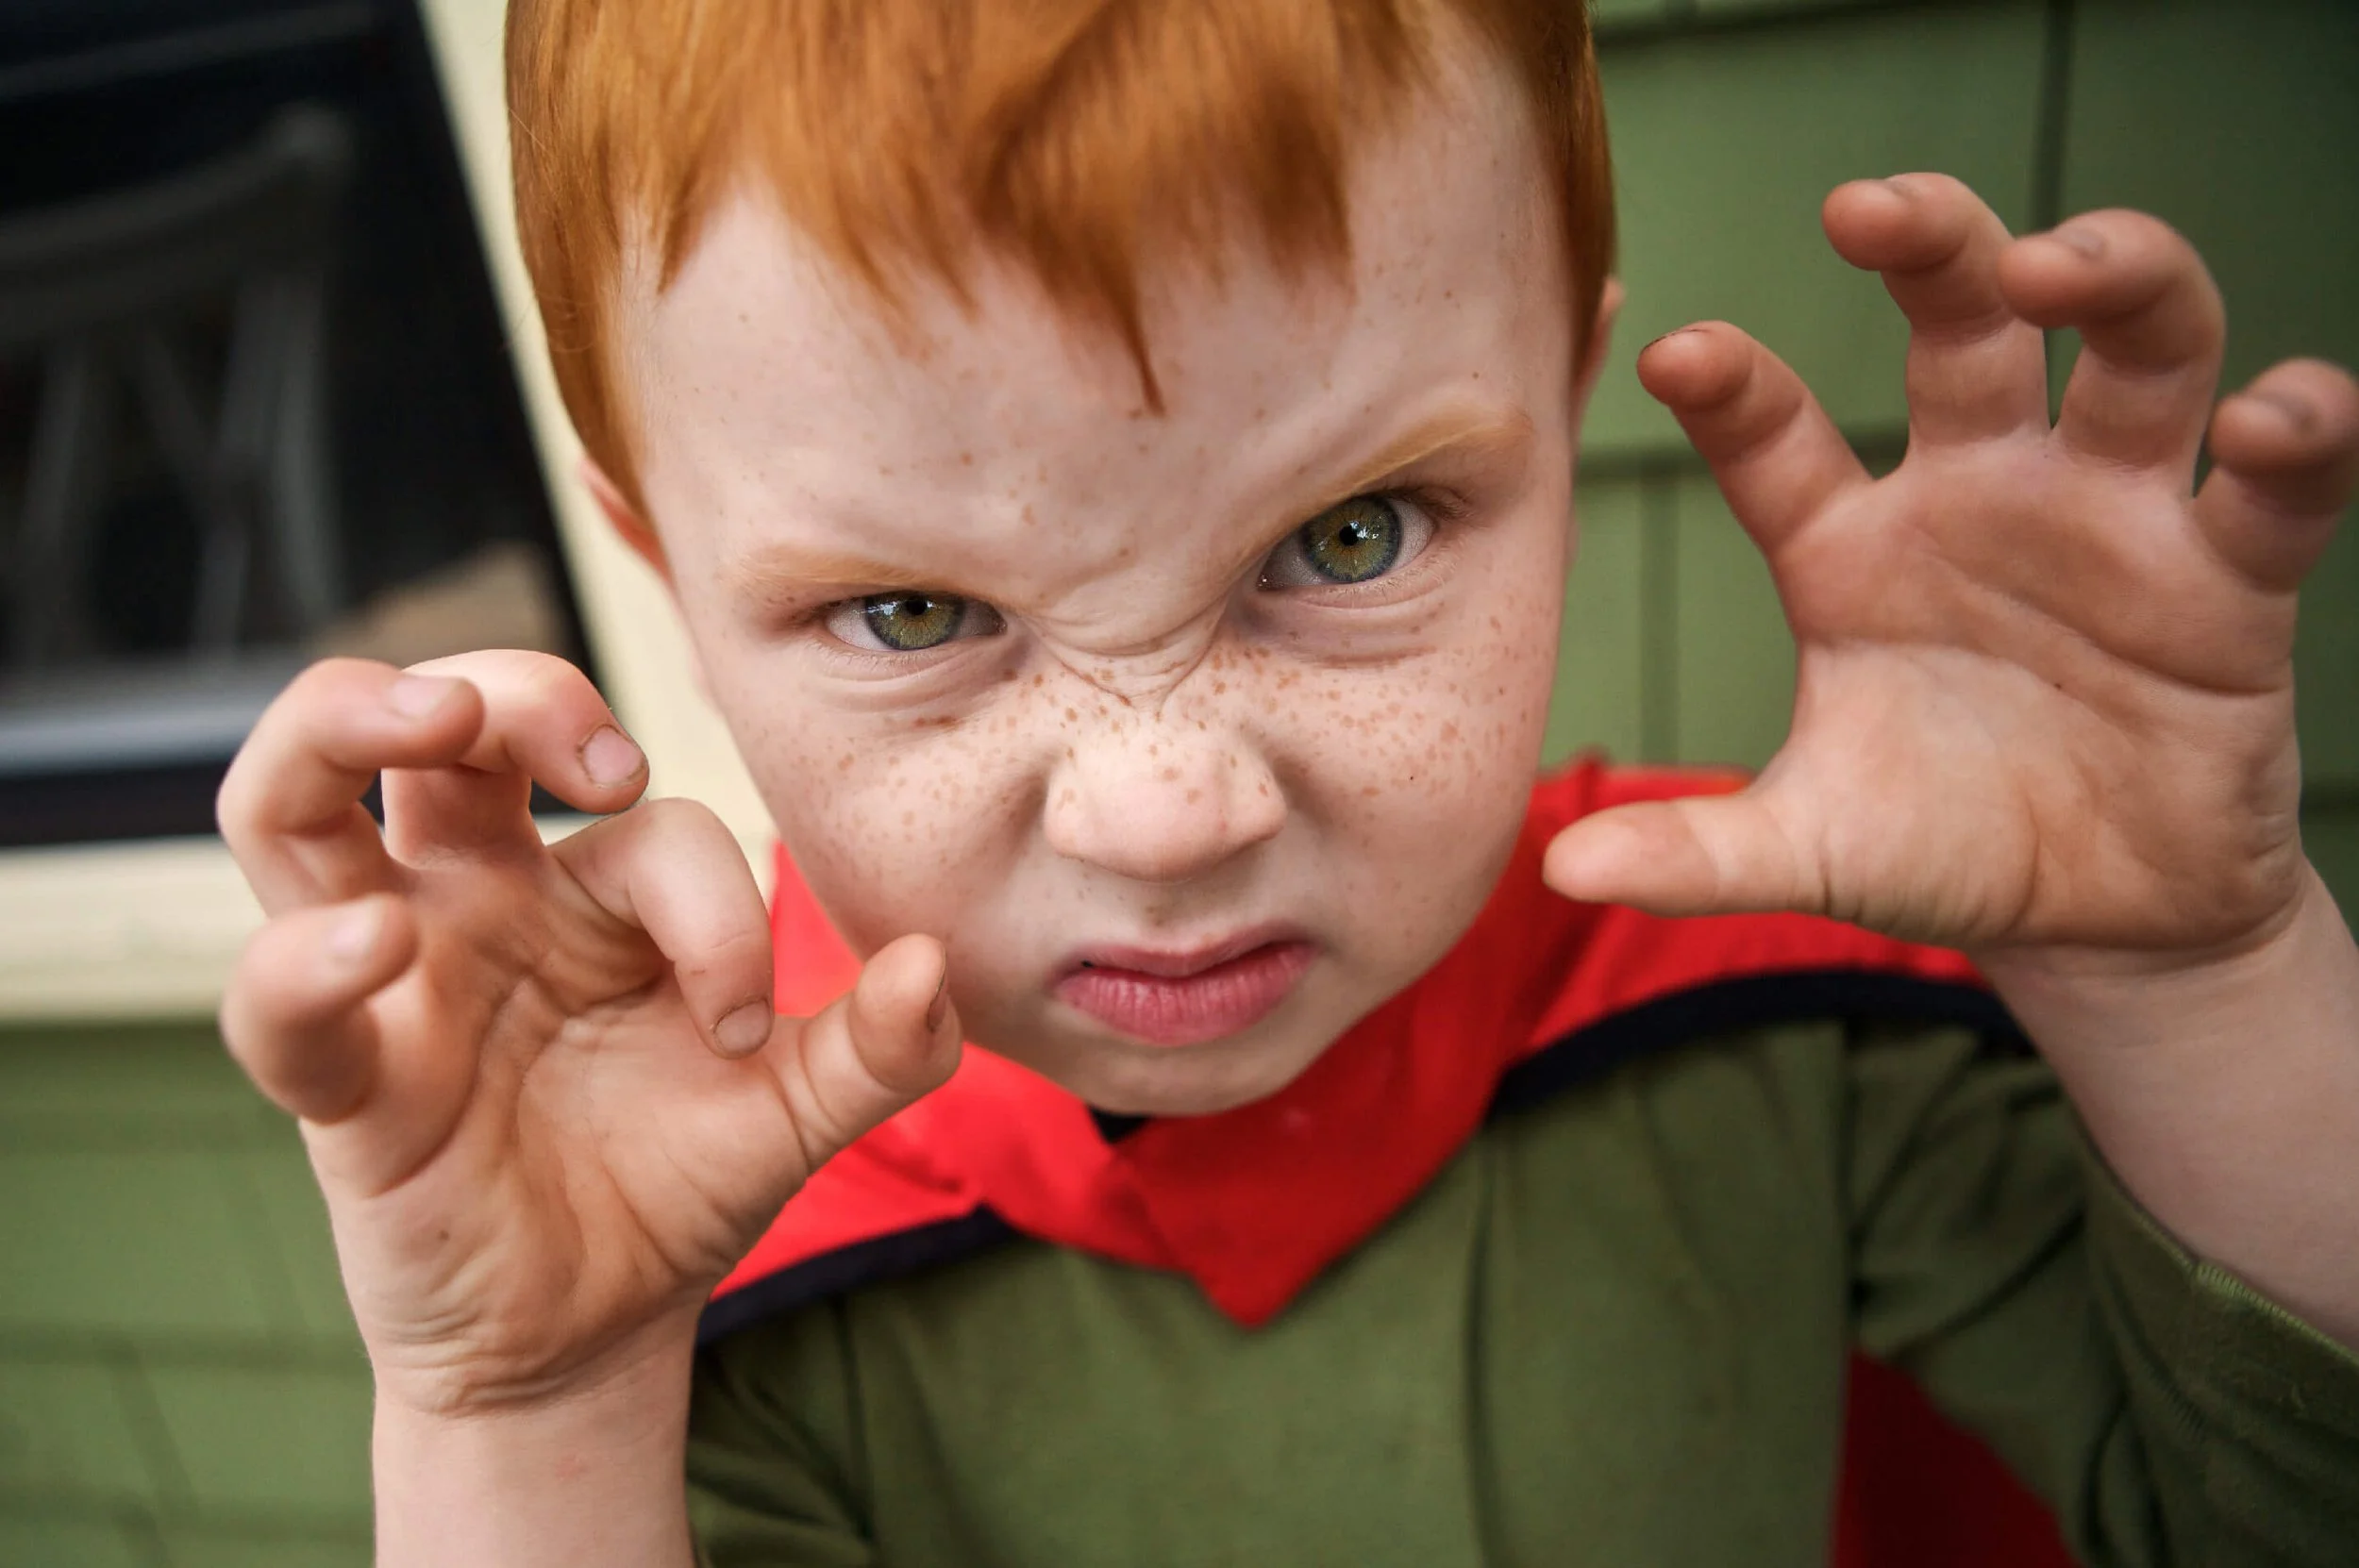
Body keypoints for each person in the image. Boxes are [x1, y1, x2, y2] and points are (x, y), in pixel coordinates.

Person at [212, 1, 2359, 1563]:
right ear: (664, 570)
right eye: (909, 613)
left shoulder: (1790, 1026)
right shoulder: (693, 1268)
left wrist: (2188, 983)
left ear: (1557, 392)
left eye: (1345, 539)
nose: (1162, 816)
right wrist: (535, 1421)